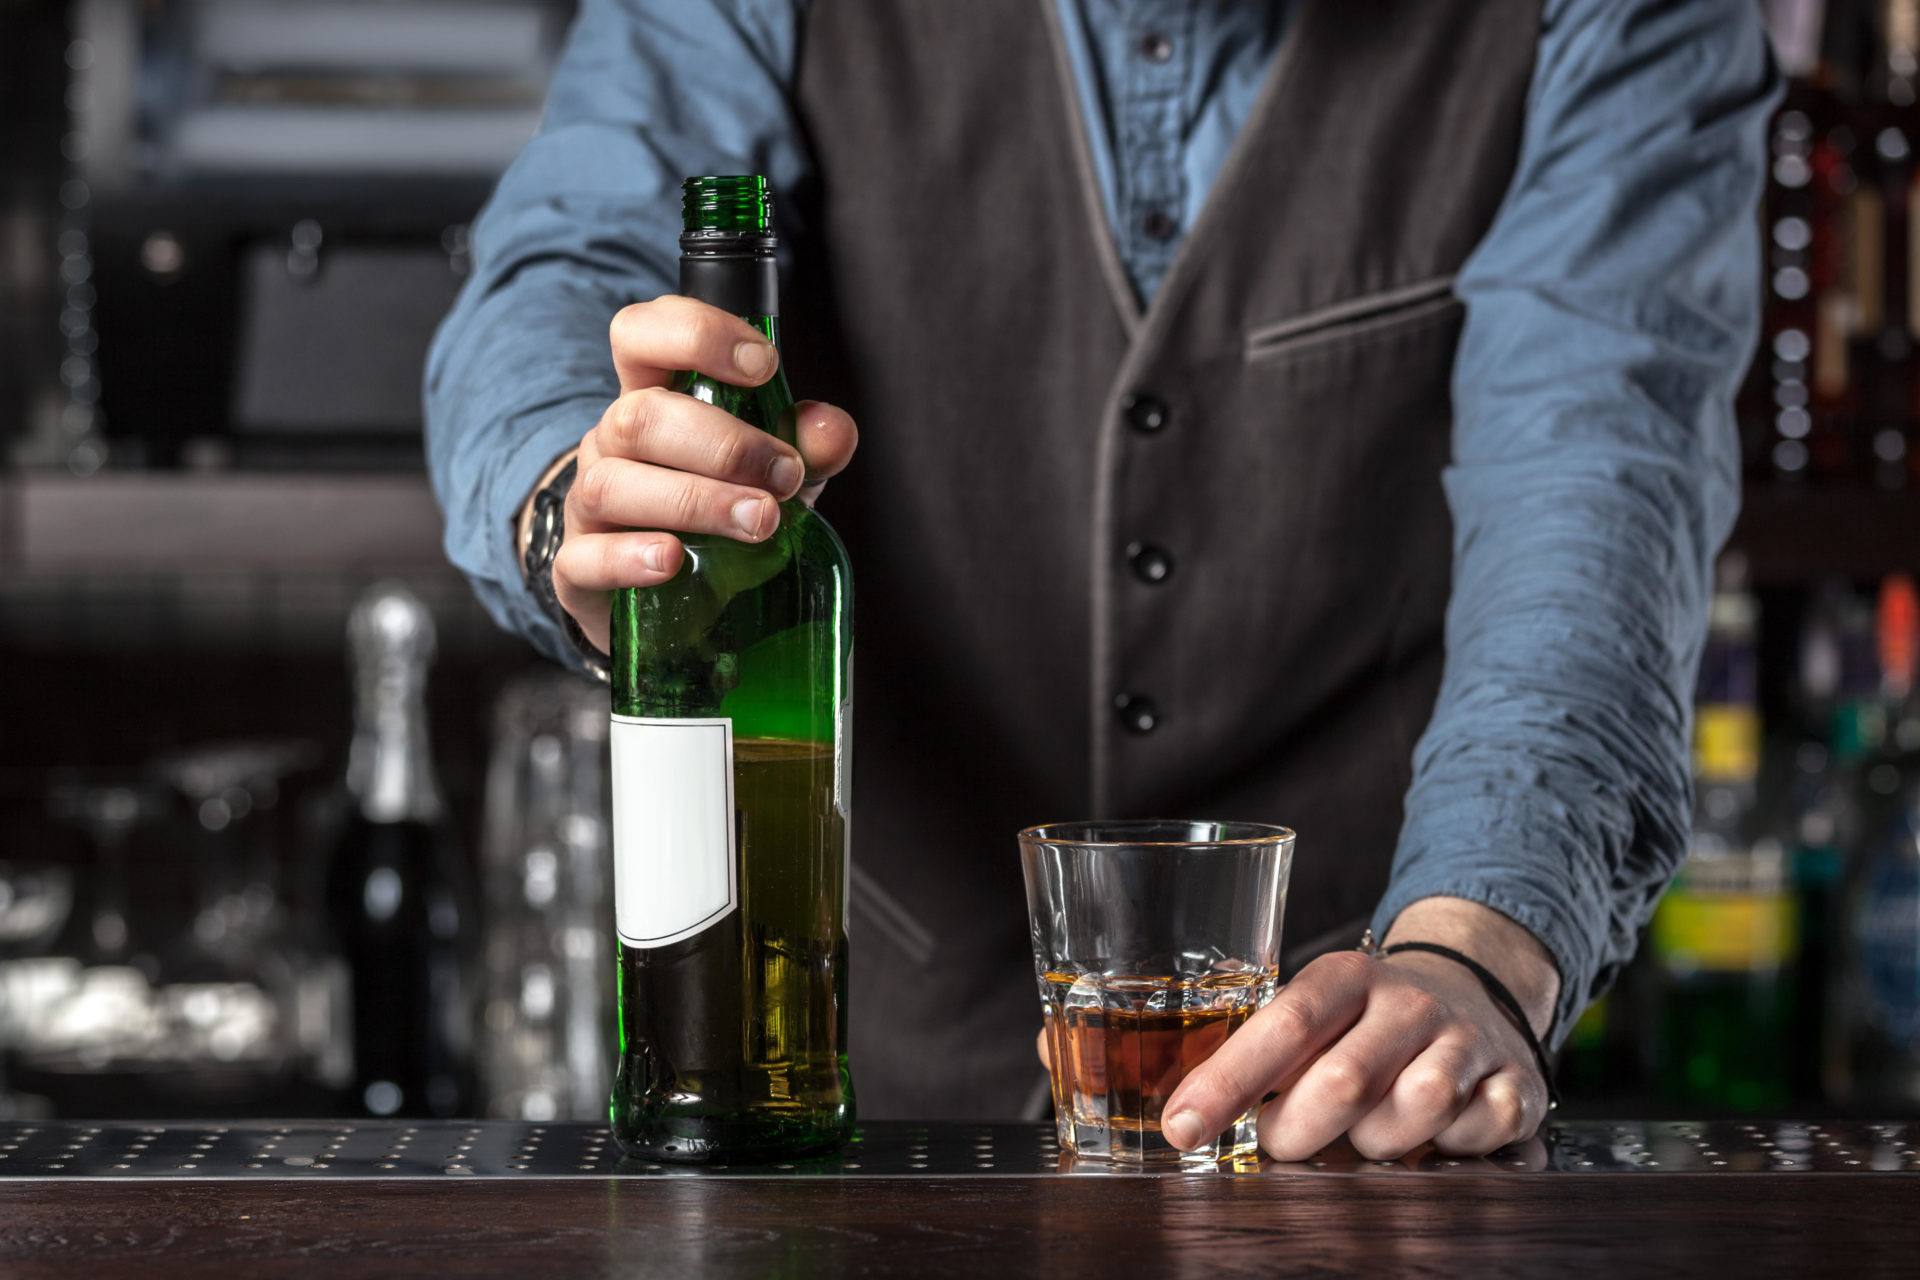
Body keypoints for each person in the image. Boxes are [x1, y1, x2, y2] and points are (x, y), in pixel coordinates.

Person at [426, 0, 1777, 1160]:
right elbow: (565, 265)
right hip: (853, 1098)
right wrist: (577, 499)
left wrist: (1470, 951)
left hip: (1362, 1117)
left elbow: (1598, 476)